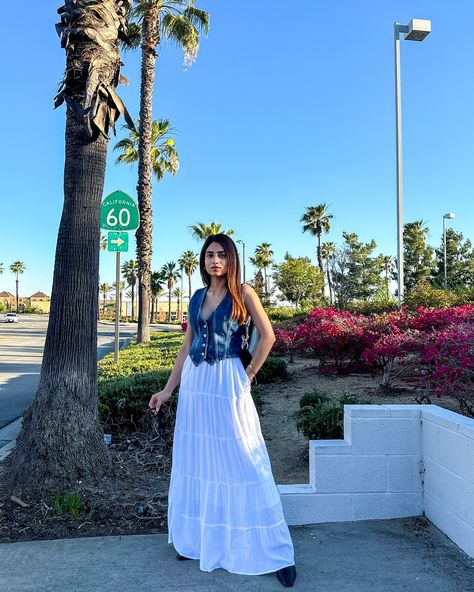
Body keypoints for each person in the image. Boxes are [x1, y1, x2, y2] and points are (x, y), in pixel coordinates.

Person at [148, 234, 297, 587]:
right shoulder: (197, 297)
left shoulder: (244, 293)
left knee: (245, 458)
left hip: (228, 380)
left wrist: (247, 374)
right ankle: (198, 540)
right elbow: (186, 347)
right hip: (197, 385)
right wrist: (168, 390)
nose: (214, 260)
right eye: (209, 255)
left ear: (231, 259)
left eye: (221, 255)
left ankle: (274, 551)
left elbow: (268, 336)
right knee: (199, 458)